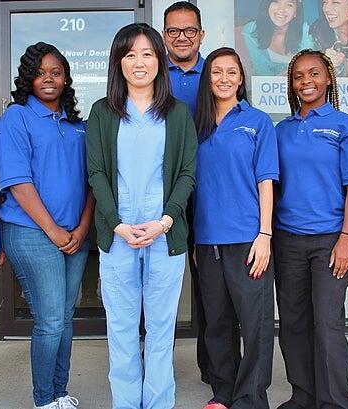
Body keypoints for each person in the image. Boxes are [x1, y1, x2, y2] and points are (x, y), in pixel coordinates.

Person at [86, 23, 197, 409]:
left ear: (159, 61)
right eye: (130, 54)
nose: (139, 62)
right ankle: (127, 403)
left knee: (162, 331)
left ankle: (159, 403)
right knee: (121, 330)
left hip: (165, 236)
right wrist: (116, 223)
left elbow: (187, 174)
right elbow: (97, 173)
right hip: (118, 237)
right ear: (118, 62)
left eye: (148, 54)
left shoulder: (178, 114)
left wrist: (165, 221)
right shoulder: (102, 112)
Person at [0, 41, 93, 409]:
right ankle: (44, 399)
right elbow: (18, 182)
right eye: (39, 73)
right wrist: (53, 230)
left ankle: (59, 393)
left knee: (64, 318)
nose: (48, 79)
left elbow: (92, 181)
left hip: (74, 236)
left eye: (55, 72)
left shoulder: (78, 125)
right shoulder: (17, 118)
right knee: (51, 320)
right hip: (33, 233)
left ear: (66, 78)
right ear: (28, 79)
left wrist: (81, 229)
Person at [273, 49, 348, 409]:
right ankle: (303, 394)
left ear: (328, 77)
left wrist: (347, 239)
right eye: (298, 76)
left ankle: (334, 401)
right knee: (293, 321)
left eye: (313, 73)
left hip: (330, 239)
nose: (306, 81)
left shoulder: (345, 125)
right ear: (291, 84)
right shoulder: (281, 130)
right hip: (288, 239)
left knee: (327, 322)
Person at [193, 47, 277, 409]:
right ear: (207, 79)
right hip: (207, 240)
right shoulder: (197, 124)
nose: (224, 78)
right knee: (217, 323)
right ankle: (224, 393)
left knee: (255, 324)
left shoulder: (257, 121)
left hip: (248, 239)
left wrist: (265, 235)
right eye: (216, 72)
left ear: (241, 79)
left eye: (231, 72)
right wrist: (195, 241)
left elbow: (266, 181)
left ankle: (251, 398)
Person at [161, 0, 208, 384]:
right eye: (174, 31)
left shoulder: (217, 73)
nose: (182, 37)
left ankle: (213, 365)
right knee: (157, 282)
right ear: (164, 35)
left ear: (201, 35)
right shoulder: (153, 72)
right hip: (162, 192)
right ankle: (158, 364)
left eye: (189, 30)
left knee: (209, 282)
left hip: (208, 191)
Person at [240, 0, 314, 76]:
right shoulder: (252, 30)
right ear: (268, 5)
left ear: (296, 12)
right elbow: (261, 69)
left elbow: (306, 65)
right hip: (265, 82)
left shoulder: (305, 31)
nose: (281, 9)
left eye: (289, 5)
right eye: (276, 1)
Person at [309, 0, 348, 77]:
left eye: (335, 3)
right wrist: (324, 62)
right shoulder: (317, 32)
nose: (327, 9)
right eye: (324, 2)